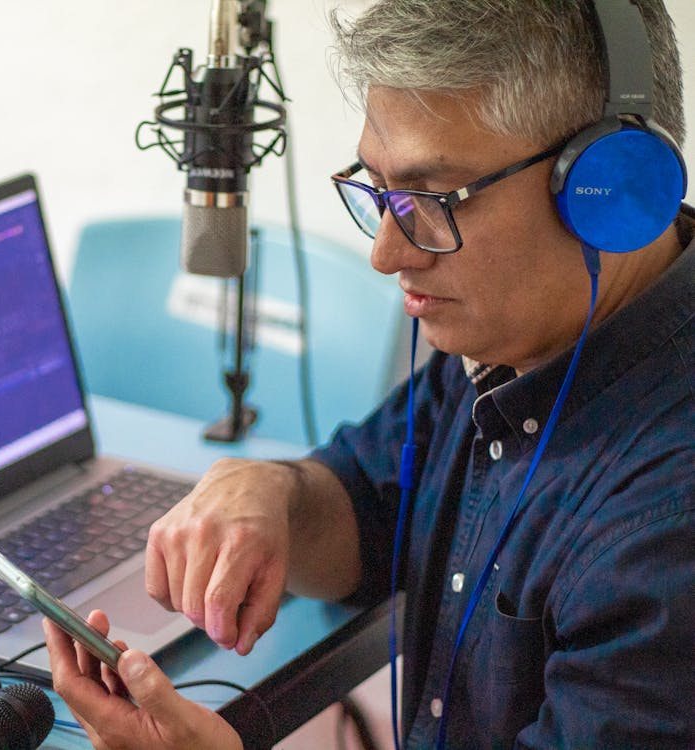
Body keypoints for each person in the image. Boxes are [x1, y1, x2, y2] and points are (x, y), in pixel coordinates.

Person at [44, 1, 695, 747]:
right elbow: (370, 498)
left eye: (427, 199)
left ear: (609, 190)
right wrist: (276, 494)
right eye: (377, 192)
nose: (386, 252)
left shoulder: (668, 523)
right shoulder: (514, 337)